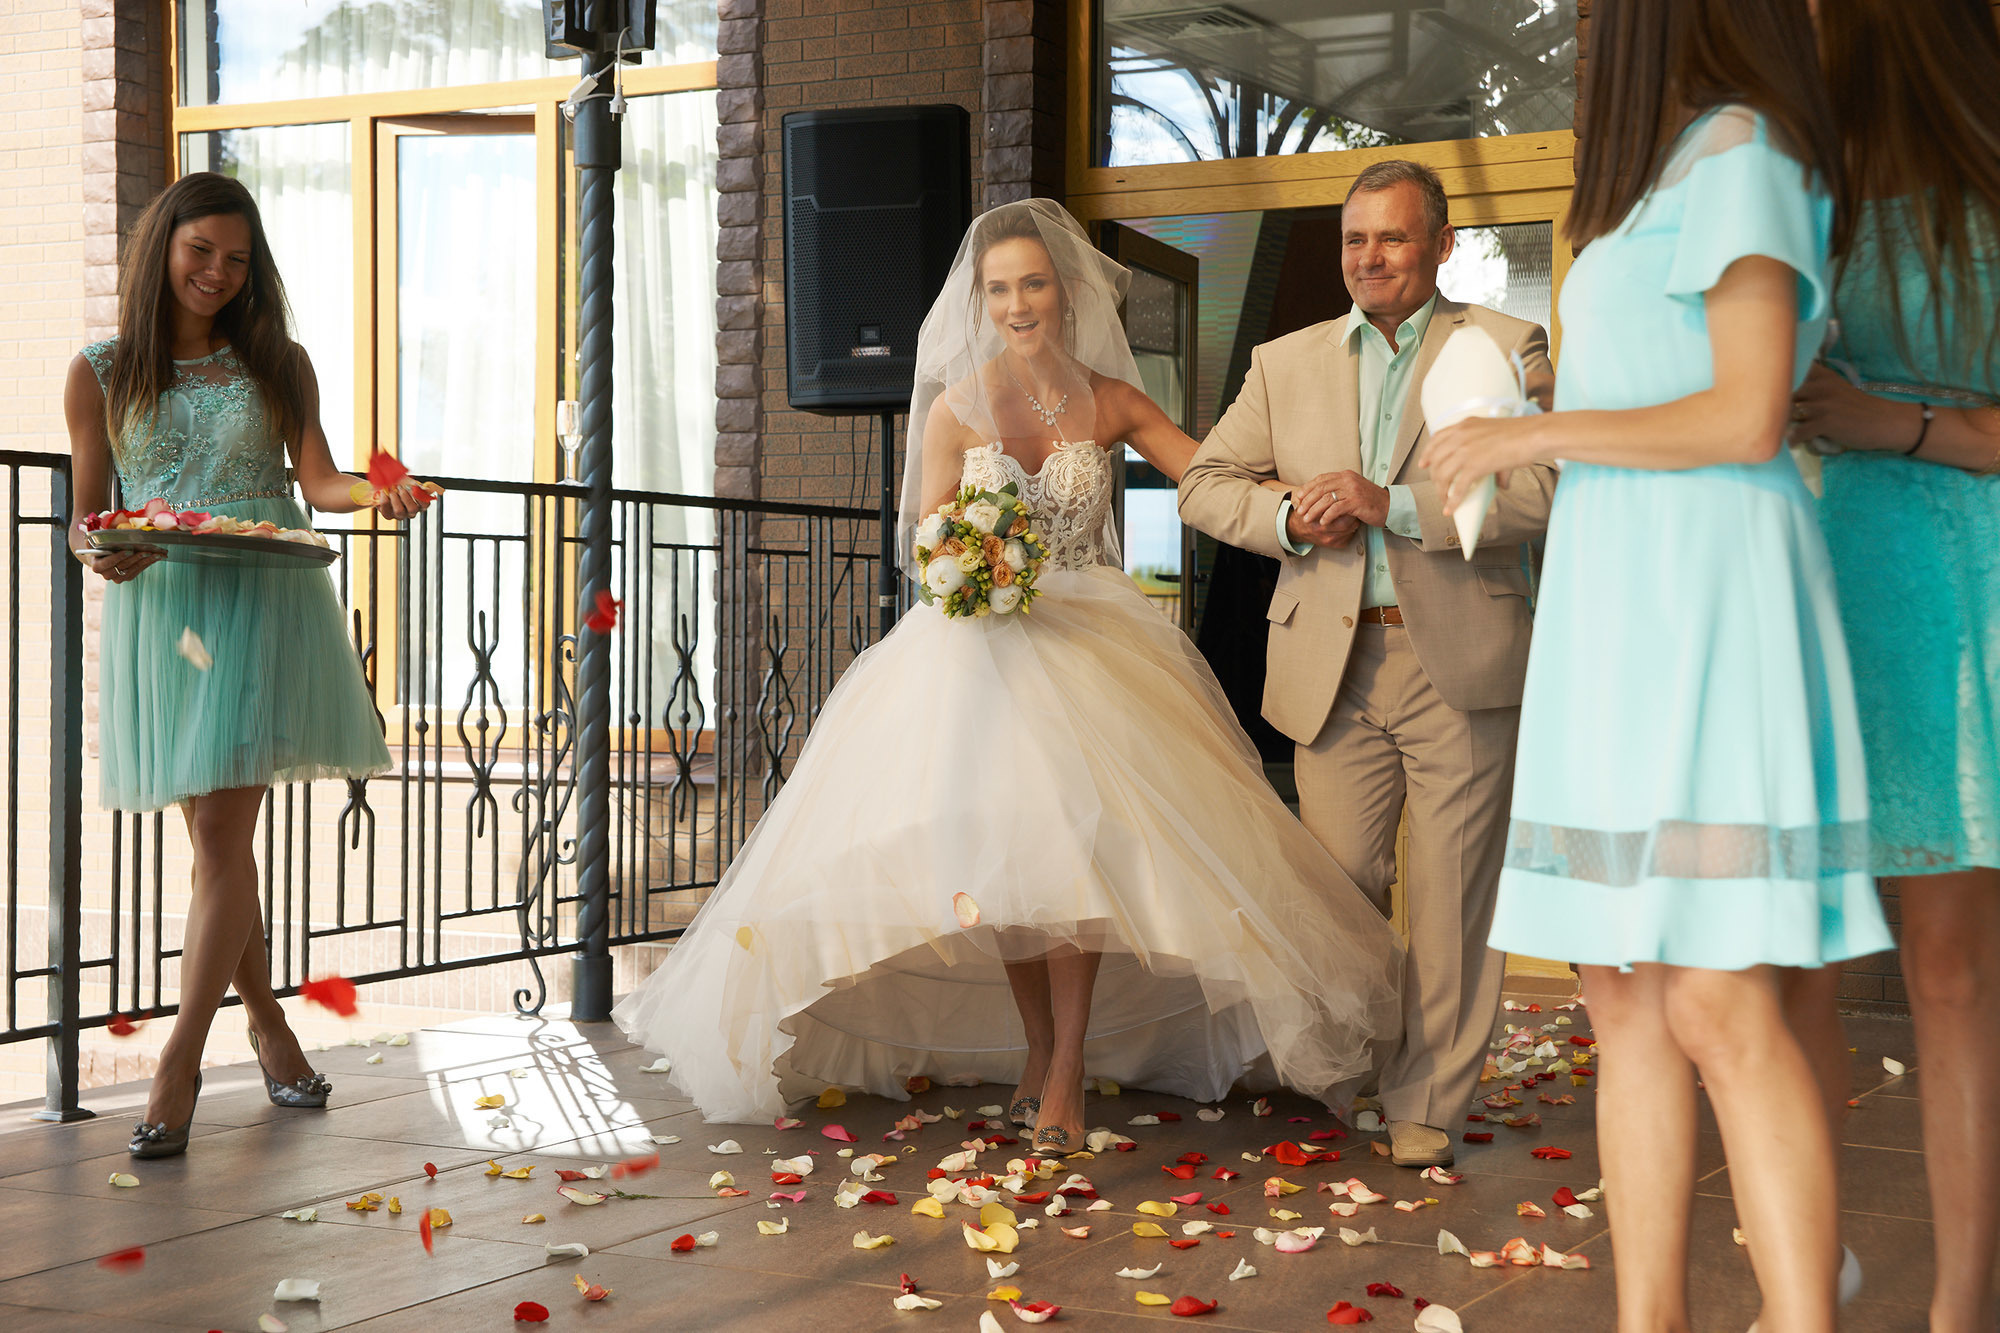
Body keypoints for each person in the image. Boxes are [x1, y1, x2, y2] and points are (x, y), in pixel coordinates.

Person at [614, 199, 1403, 1149]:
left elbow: (1205, 480)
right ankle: (1040, 1051)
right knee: (1010, 869)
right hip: (978, 654)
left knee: (1075, 858)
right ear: (980, 301)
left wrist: (1299, 504)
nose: (1018, 302)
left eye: (1033, 283)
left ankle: (1067, 1067)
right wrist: (967, 555)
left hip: (1094, 646)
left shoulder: (1113, 399)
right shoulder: (954, 406)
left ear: (1064, 293)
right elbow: (922, 534)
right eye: (999, 288)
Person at [1423, 1, 1894, 1327]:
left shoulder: (1750, 152)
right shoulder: (1647, 181)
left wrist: (1530, 436)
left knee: (1718, 999)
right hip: (1617, 602)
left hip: (1709, 598)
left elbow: (1747, 412)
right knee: (1621, 999)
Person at [1176, 159, 1556, 1170]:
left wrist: (1398, 505)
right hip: (1327, 667)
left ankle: (1425, 1096)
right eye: (1354, 239)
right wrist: (1285, 517)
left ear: (1437, 245)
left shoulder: (1504, 344)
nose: (1368, 256)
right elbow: (1203, 485)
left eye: (1390, 238)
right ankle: (1356, 1062)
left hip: (1459, 660)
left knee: (1448, 898)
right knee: (1338, 888)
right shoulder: (1282, 360)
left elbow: (1541, 492)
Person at [63, 173, 424, 1158]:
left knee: (224, 833)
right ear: (162, 251)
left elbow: (319, 479)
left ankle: (178, 1062)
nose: (218, 272)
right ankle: (269, 1024)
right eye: (200, 252)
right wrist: (98, 549)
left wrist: (384, 486)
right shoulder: (97, 371)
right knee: (216, 848)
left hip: (262, 602)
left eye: (236, 258)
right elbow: (86, 520)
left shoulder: (279, 361)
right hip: (168, 617)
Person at [1795, 3, 2000, 1328]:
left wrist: (1898, 422)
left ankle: (1964, 1301)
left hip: (1952, 578)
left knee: (1947, 966)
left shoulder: (1980, 192)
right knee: (1793, 950)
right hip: (1821, 573)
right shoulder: (1806, 179)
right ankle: (1816, 1267)